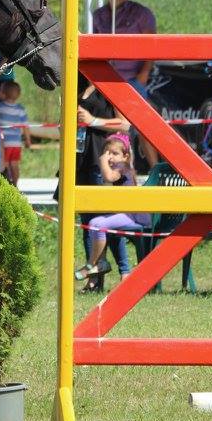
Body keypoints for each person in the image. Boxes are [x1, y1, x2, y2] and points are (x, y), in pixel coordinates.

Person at [92, 0, 158, 169]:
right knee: (116, 129)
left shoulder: (141, 13)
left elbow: (152, 46)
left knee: (145, 127)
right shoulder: (98, 16)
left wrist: (144, 75)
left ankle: (155, 169)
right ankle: (122, 173)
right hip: (108, 81)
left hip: (133, 80)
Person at [72, 75, 132, 292]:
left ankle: (125, 273)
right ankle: (94, 278)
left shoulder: (109, 85)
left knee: (107, 221)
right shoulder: (75, 85)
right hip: (79, 160)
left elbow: (125, 124)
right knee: (87, 224)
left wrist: (93, 121)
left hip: (102, 162)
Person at [74, 134, 151, 288]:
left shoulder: (122, 166)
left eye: (114, 153)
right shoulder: (120, 167)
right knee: (97, 223)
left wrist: (102, 160)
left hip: (134, 217)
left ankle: (93, 265)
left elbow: (108, 177)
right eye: (107, 153)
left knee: (97, 224)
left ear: (125, 156)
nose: (110, 157)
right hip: (125, 215)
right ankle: (100, 263)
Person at [0, 81, 31, 185]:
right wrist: (27, 140)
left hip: (4, 142)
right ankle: (15, 184)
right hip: (16, 143)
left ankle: (7, 184)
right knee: (15, 164)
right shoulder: (20, 109)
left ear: (2, 93)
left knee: (5, 164)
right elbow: (25, 126)